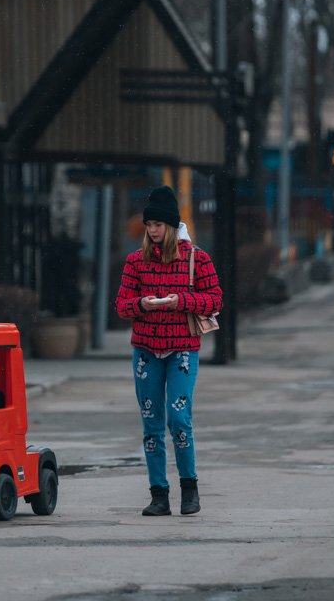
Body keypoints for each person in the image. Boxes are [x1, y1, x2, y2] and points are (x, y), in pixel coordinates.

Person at [115, 185, 222, 517]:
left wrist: (183, 301)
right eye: (149, 225)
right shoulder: (136, 261)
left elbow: (216, 300)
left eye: (158, 225)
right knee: (151, 423)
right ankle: (158, 493)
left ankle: (189, 488)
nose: (153, 231)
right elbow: (121, 306)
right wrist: (141, 304)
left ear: (172, 226)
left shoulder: (197, 258)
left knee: (179, 419)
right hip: (146, 351)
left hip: (183, 351)